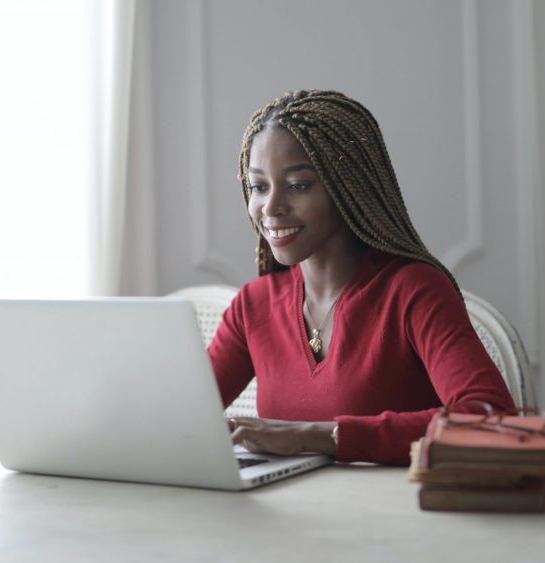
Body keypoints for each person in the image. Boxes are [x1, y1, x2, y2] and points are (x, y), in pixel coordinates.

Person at [207, 90, 514, 466]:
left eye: (298, 185)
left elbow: (491, 420)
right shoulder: (253, 305)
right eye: (259, 186)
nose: (270, 207)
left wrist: (316, 436)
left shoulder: (413, 290)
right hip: (285, 516)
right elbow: (181, 417)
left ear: (347, 186)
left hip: (393, 517)